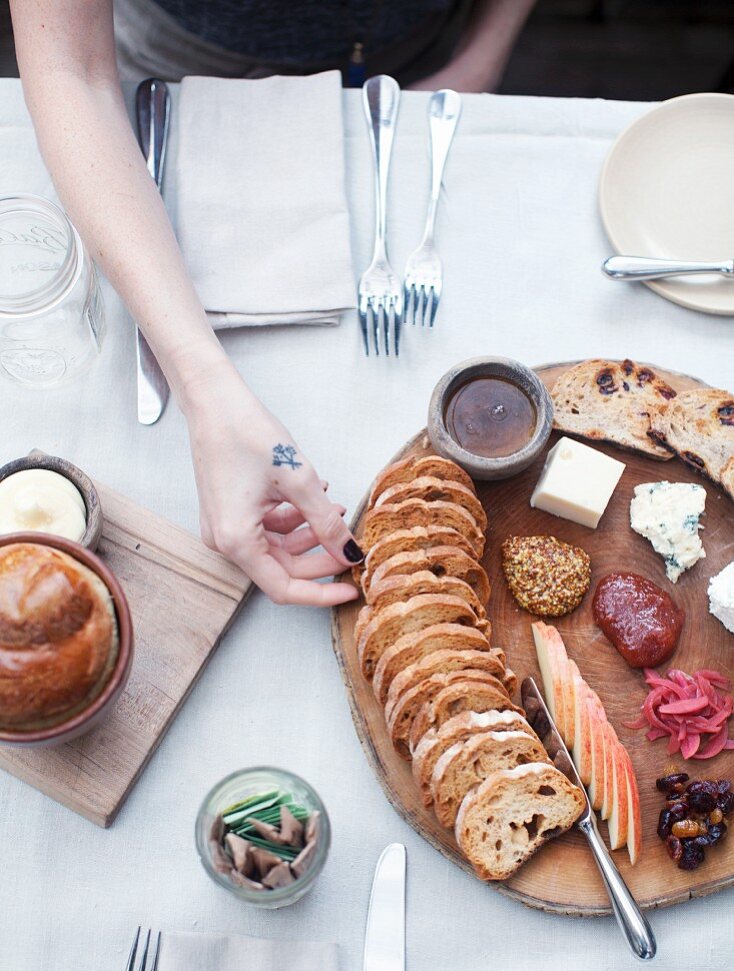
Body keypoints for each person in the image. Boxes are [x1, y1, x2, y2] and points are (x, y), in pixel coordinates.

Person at [9, 0, 535, 606]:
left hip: (426, 46)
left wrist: (484, 54)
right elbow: (68, 69)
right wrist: (208, 395)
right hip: (188, 61)